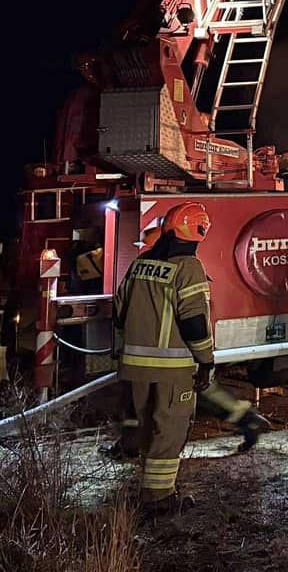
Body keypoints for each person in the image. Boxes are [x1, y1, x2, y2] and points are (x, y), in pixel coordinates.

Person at [103, 224, 268, 460]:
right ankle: (247, 419)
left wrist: (204, 358)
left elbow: (125, 312)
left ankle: (247, 419)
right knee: (191, 392)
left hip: (173, 355)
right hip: (178, 354)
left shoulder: (159, 268)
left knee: (163, 398)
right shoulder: (179, 267)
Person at [113, 201, 216, 514]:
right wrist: (206, 360)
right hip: (173, 370)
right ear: (199, 232)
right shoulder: (188, 268)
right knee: (169, 432)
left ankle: (151, 491)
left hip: (136, 368)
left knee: (148, 428)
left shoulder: (140, 264)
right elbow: (194, 322)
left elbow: (118, 312)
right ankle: (159, 499)